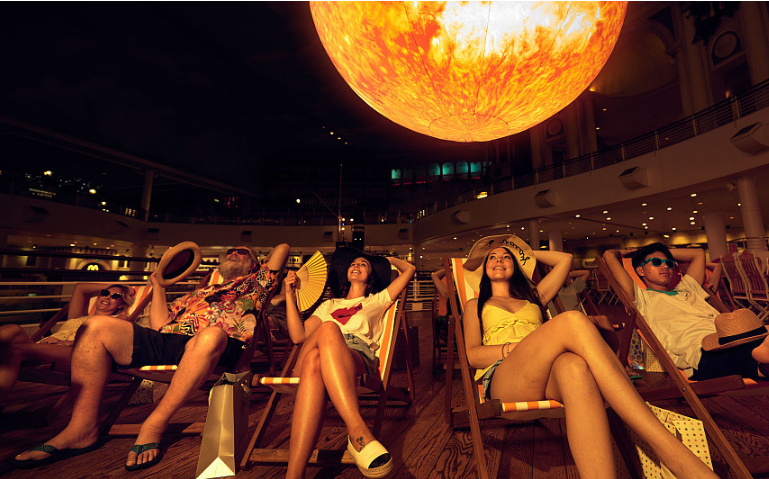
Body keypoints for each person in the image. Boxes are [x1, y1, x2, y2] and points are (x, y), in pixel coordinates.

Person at [9, 243, 290, 471]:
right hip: (172, 341)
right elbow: (160, 325)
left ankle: (154, 424)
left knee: (211, 334)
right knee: (95, 326)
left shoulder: (258, 283)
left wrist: (264, 263)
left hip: (220, 346)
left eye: (242, 252)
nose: (234, 253)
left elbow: (283, 248)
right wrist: (159, 286)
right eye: (230, 251)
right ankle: (80, 429)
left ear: (255, 264)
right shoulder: (199, 292)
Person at [462, 235, 716, 479]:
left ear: (516, 265)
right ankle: (672, 452)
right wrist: (519, 347)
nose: (499, 259)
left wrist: (523, 252)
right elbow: (473, 355)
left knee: (574, 368)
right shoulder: (475, 305)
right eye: (492, 257)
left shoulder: (535, 297)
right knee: (573, 320)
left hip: (547, 373)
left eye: (506, 257)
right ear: (483, 269)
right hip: (506, 378)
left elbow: (564, 260)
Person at [282, 247, 415, 479]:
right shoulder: (329, 305)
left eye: (364, 264)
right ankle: (357, 432)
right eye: (353, 263)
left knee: (316, 354)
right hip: (318, 349)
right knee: (326, 332)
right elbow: (298, 337)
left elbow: (410, 269)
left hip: (355, 355)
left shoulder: (378, 299)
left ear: (371, 275)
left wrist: (384, 259)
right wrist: (288, 294)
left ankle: (294, 475)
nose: (356, 265)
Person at [603, 242, 769, 380]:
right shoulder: (641, 298)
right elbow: (609, 256)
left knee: (755, 344)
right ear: (640, 271)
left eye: (669, 263)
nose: (665, 266)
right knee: (752, 352)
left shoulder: (689, 289)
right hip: (701, 353)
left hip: (733, 337)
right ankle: (760, 354)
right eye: (656, 262)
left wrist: (660, 253)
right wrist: (636, 252)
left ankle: (760, 355)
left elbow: (698, 253)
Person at [0, 283, 134, 408]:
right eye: (104, 293)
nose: (107, 297)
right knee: (12, 329)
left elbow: (104, 342)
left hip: (73, 351)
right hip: (45, 347)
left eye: (115, 296)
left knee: (13, 351)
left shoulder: (119, 319)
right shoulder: (78, 316)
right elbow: (81, 288)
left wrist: (65, 343)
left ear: (121, 304)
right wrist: (120, 286)